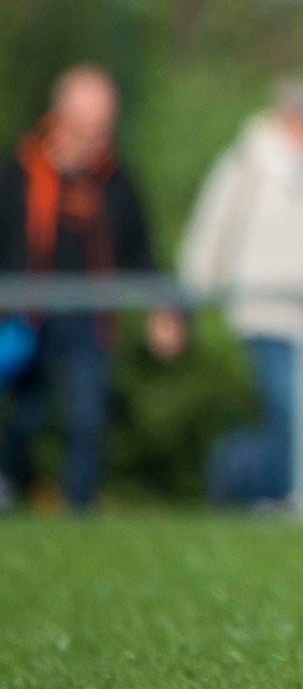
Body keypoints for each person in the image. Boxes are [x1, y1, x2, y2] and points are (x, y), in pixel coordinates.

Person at [180, 78, 303, 506]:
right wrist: (190, 296)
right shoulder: (245, 163)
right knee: (295, 414)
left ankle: (256, 484)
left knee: (290, 418)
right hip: (263, 313)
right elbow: (213, 228)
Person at [0, 64, 183, 509]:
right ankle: (10, 484)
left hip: (87, 322)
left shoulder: (116, 182)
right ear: (60, 119)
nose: (99, 138)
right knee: (26, 418)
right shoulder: (18, 174)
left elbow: (141, 254)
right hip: (22, 318)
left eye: (105, 127)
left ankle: (79, 514)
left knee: (87, 419)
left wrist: (166, 310)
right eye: (89, 127)